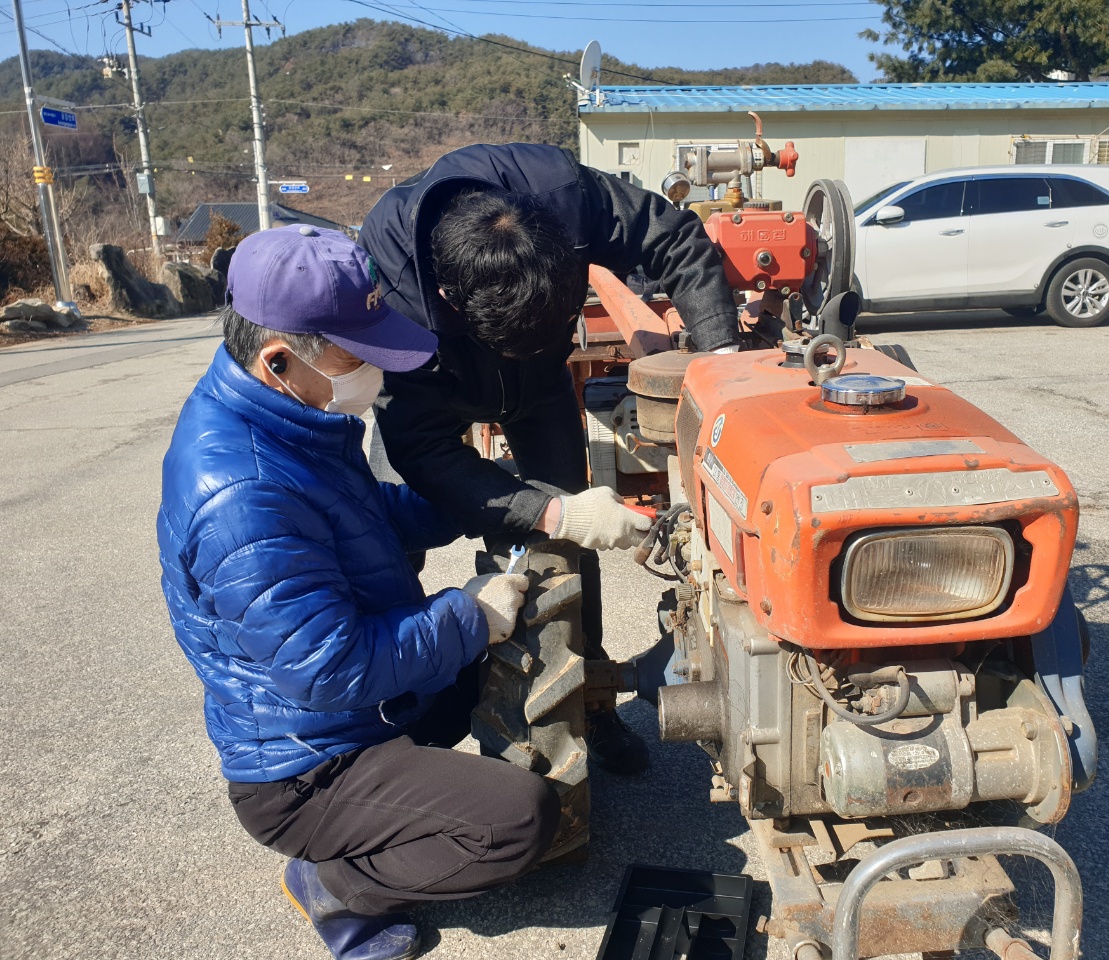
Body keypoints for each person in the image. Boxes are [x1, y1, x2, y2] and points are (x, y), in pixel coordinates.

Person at [157, 224, 558, 960]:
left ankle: (401, 802)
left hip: (358, 710)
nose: (373, 369)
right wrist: (469, 615)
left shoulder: (289, 416)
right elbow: (329, 670)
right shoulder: (242, 493)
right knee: (518, 819)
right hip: (307, 767)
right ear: (279, 358)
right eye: (356, 354)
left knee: (501, 659)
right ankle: (336, 884)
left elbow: (369, 513)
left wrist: (489, 497)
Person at [360, 143, 742, 774]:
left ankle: (584, 698)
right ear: (451, 299)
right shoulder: (393, 285)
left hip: (538, 387)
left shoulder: (567, 196)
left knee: (571, 543)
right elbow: (422, 448)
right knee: (385, 538)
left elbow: (673, 235)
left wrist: (726, 368)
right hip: (433, 386)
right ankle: (392, 707)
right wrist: (545, 511)